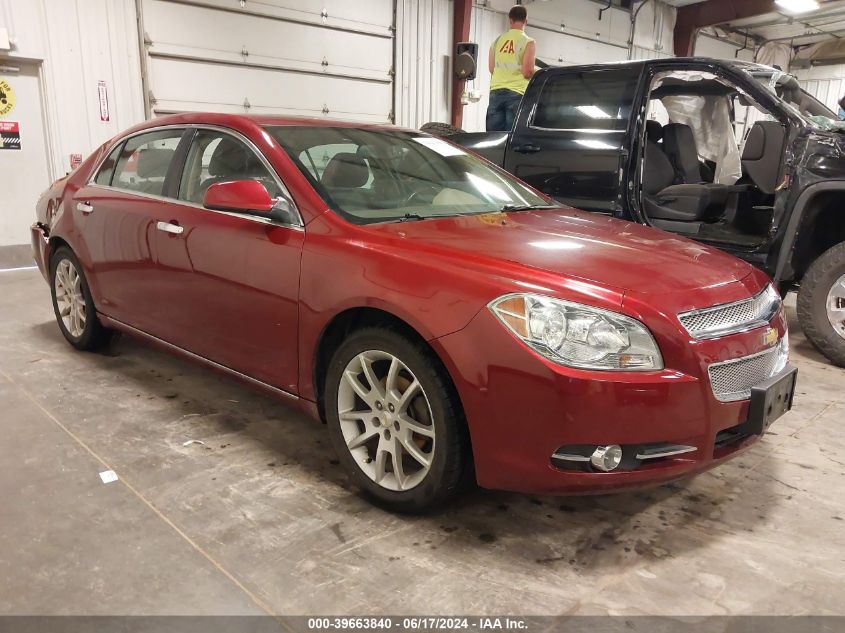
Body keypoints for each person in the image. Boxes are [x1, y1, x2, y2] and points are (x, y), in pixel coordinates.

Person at [486, 5, 536, 132]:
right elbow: (527, 71)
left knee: (493, 138)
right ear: (526, 21)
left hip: (496, 93)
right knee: (511, 139)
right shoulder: (528, 42)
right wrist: (538, 71)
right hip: (516, 94)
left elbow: (492, 68)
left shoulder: (497, 41)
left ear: (510, 20)